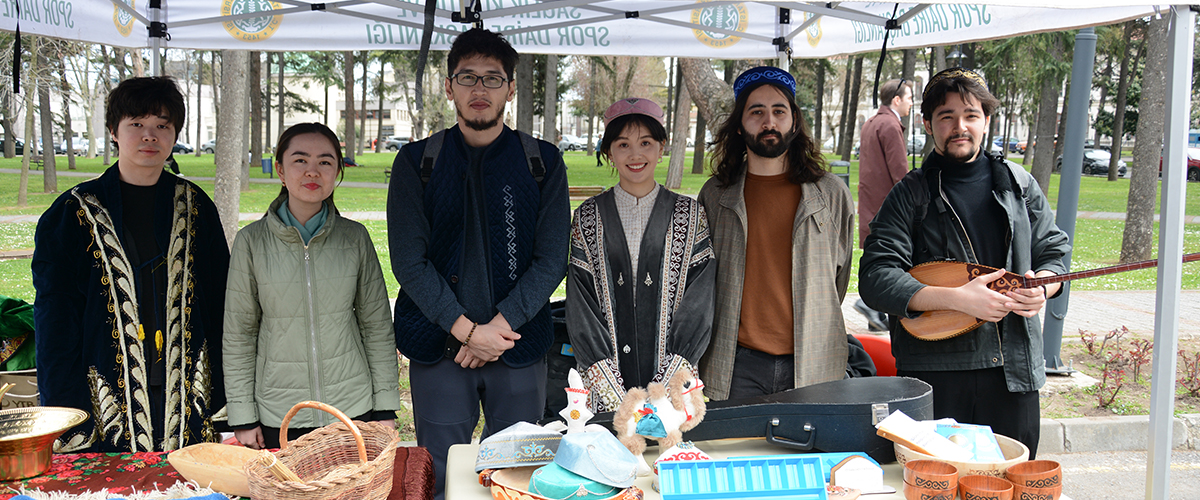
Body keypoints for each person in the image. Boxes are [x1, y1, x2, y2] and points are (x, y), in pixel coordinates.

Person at [387, 28, 570, 498]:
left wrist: (496, 329)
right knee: (439, 475)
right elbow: (408, 261)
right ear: (450, 87)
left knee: (515, 476)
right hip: (438, 348)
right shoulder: (417, 162)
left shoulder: (542, 162)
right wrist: (467, 331)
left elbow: (552, 259)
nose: (480, 89)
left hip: (517, 345)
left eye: (493, 78)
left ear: (511, 88)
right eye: (468, 77)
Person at [859, 68, 1071, 458]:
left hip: (1014, 374)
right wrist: (958, 299)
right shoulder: (909, 196)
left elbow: (1054, 253)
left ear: (986, 121)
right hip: (936, 377)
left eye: (971, 115)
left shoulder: (1019, 184)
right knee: (935, 481)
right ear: (928, 124)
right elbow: (876, 277)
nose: (960, 127)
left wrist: (1043, 286)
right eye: (947, 116)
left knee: (1009, 479)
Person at [32, 76, 228, 453]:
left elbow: (219, 302)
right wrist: (62, 405)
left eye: (162, 125)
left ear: (174, 135)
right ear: (114, 131)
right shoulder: (70, 213)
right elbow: (54, 318)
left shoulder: (197, 206)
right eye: (136, 123)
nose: (149, 136)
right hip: (101, 392)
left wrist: (222, 393)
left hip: (185, 393)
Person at [223, 123, 401, 450]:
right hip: (278, 413)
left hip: (352, 408)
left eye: (325, 162)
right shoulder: (251, 242)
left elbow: (376, 326)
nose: (312, 172)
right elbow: (239, 334)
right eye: (300, 160)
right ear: (280, 170)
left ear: (337, 172)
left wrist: (385, 407)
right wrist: (243, 416)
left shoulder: (355, 239)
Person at [697, 66, 855, 401]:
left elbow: (838, 279)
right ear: (739, 125)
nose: (769, 122)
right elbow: (701, 278)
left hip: (813, 362)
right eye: (756, 112)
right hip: (737, 365)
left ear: (794, 122)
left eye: (779, 111)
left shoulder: (831, 194)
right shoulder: (715, 196)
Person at [565, 97, 716, 412]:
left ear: (661, 148)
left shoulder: (690, 215)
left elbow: (699, 302)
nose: (635, 155)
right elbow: (582, 304)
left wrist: (664, 390)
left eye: (646, 143)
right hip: (605, 387)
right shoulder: (588, 217)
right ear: (609, 152)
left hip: (674, 386)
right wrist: (614, 396)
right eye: (623, 145)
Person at [854, 78, 915, 332]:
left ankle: (875, 315)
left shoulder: (871, 122)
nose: (912, 103)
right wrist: (914, 201)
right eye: (909, 97)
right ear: (896, 99)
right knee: (894, 260)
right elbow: (900, 171)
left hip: (871, 204)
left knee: (878, 258)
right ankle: (870, 305)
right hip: (888, 208)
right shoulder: (890, 125)